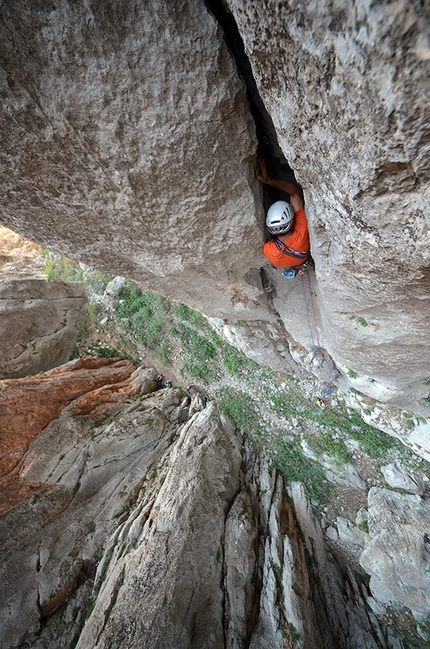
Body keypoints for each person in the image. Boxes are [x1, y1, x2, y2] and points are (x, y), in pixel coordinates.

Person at [257, 158, 310, 275]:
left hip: (286, 262)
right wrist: (269, 181)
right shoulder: (302, 233)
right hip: (301, 257)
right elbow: (294, 193)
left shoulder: (268, 250)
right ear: (292, 220)